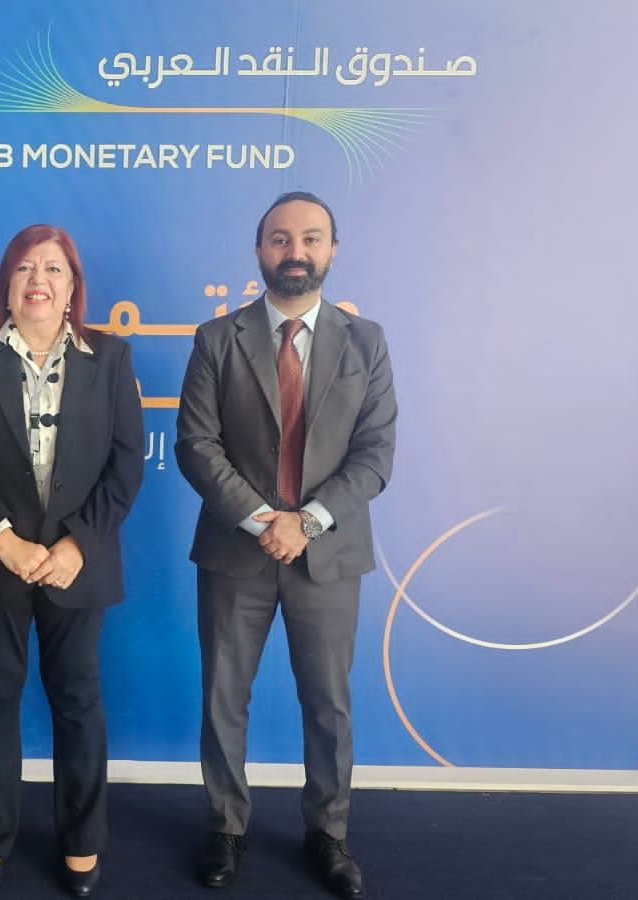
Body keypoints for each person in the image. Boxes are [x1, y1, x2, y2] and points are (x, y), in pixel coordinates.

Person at [175, 191, 397, 899]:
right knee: (223, 699)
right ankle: (226, 827)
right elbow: (196, 445)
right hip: (235, 551)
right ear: (259, 250)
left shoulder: (367, 342)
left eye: (310, 238)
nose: (294, 251)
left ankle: (328, 833)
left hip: (327, 554)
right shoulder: (218, 338)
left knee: (329, 705)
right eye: (279, 239)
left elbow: (375, 455)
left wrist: (307, 522)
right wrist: (262, 519)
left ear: (332, 250)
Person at [0, 224, 144, 898]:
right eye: (25, 268)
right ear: (6, 284)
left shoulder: (110, 357)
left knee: (78, 700)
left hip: (77, 562)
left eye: (53, 269)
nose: (38, 281)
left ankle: (82, 840)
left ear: (73, 285)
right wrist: (3, 538)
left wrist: (77, 544)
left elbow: (126, 464)